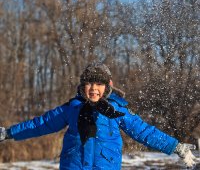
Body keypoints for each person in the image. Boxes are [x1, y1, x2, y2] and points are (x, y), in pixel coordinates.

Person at [0, 62, 198, 169]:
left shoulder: (117, 111)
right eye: (89, 83)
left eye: (99, 84)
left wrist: (176, 146)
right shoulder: (72, 108)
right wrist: (9, 133)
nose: (93, 89)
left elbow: (144, 131)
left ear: (107, 87)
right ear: (82, 86)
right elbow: (41, 124)